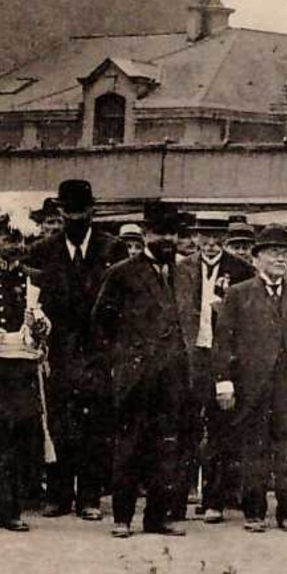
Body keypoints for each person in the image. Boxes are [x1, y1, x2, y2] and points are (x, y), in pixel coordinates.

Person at [213, 227, 287, 533]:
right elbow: (224, 341)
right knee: (255, 450)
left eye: (284, 252)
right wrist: (224, 383)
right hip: (253, 387)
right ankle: (254, 512)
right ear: (256, 258)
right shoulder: (239, 294)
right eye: (272, 252)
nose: (280, 258)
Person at [91, 200, 193, 538]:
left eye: (172, 233)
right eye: (160, 232)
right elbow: (100, 324)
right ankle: (122, 519)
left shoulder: (186, 273)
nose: (167, 239)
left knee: (167, 449)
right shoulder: (121, 273)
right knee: (130, 448)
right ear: (146, 233)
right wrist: (123, 363)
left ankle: (158, 518)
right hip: (136, 380)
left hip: (173, 379)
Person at [32, 178, 121, 520]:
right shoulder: (44, 251)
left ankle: (89, 497)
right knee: (59, 421)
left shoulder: (110, 249)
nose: (75, 218)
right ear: (61, 212)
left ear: (92, 211)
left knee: (95, 425)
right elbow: (35, 303)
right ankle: (58, 495)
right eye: (69, 212)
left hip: (98, 352)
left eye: (81, 211)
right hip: (57, 353)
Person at [173, 213, 255, 523]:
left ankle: (214, 500)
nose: (210, 243)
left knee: (222, 431)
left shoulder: (241, 270)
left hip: (222, 360)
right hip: (189, 359)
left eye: (216, 238)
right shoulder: (181, 269)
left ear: (224, 239)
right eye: (204, 237)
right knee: (185, 429)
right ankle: (177, 500)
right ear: (195, 238)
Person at [0, 210, 50, 532]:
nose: (17, 246)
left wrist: (40, 326)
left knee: (16, 432)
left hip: (20, 364)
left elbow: (42, 321)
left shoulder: (32, 276)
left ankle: (10, 507)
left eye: (22, 239)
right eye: (10, 238)